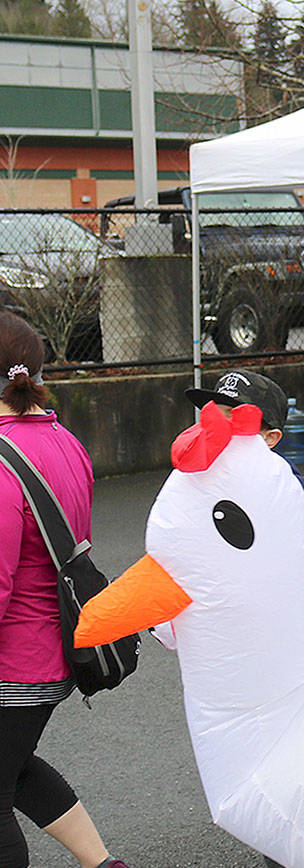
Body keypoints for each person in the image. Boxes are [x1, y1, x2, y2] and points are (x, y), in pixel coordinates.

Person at [0, 313, 129, 868]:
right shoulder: (63, 439)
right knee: (14, 766)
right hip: (57, 649)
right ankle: (104, 865)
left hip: (14, 663)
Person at [185, 369, 304, 505]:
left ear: (271, 437)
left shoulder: (294, 490)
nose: (218, 425)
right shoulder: (196, 475)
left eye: (234, 416)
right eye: (213, 414)